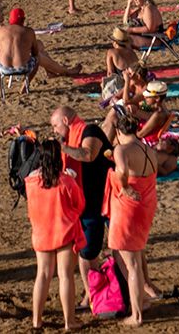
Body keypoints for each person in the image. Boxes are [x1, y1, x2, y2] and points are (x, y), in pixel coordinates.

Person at [107, 108, 169, 324]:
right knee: (128, 255)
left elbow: (122, 170)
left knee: (130, 262)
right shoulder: (148, 149)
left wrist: (123, 186)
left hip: (129, 207)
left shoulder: (122, 150)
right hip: (146, 204)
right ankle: (140, 302)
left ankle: (137, 314)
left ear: (118, 131)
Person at [23, 138, 84, 331]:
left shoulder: (31, 181)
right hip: (64, 231)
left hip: (42, 232)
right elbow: (79, 205)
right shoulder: (66, 181)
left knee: (42, 275)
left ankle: (36, 320)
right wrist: (72, 178)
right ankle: (69, 321)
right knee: (65, 276)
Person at [53, 105, 113, 268]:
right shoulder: (69, 141)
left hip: (108, 198)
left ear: (65, 121)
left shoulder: (91, 131)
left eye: (55, 126)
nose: (54, 131)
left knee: (125, 246)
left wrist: (63, 148)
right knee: (87, 252)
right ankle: (91, 292)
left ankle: (143, 284)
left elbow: (88, 154)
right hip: (88, 203)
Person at [0, 7, 72, 98]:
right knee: (37, 58)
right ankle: (25, 86)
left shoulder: (2, 30)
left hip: (4, 69)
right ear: (23, 19)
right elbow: (35, 53)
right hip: (23, 68)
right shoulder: (29, 31)